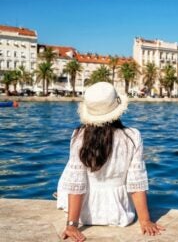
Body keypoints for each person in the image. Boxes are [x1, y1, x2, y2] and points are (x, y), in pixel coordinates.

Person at [56, 82, 165, 241]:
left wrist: (72, 224)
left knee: (73, 168)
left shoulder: (79, 135)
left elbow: (77, 182)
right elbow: (136, 182)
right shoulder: (132, 136)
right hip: (119, 213)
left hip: (84, 214)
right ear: (117, 110)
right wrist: (145, 220)